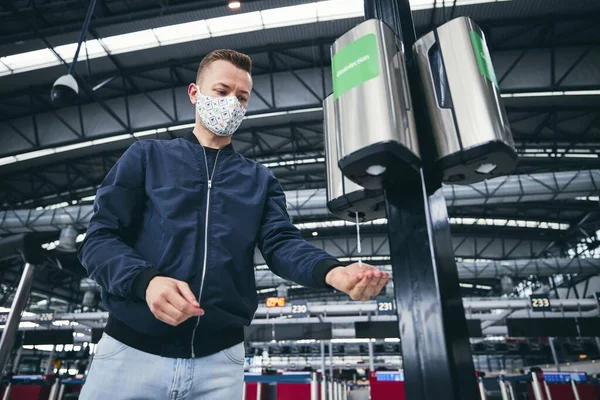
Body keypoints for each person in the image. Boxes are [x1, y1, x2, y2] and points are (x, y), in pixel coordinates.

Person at [77, 49, 389, 399]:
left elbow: (281, 243)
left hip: (219, 365)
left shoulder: (259, 180)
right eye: (222, 92)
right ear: (195, 93)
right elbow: (99, 240)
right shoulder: (147, 157)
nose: (232, 104)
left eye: (242, 97)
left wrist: (332, 272)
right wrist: (144, 281)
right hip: (131, 354)